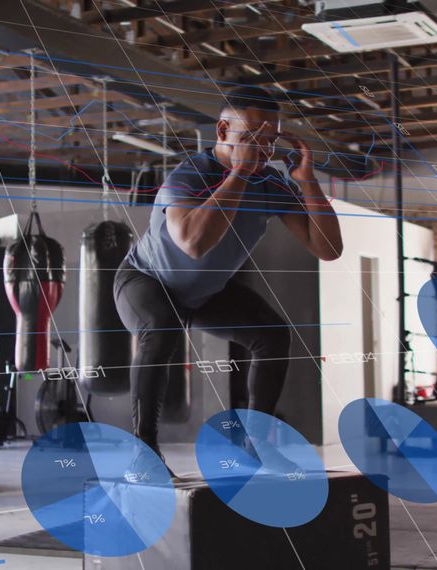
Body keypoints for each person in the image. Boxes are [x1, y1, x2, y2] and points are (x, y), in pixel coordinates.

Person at [114, 85, 343, 475]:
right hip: (147, 280)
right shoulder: (189, 175)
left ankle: (258, 446)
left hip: (203, 295)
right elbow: (193, 243)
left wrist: (306, 180)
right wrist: (239, 171)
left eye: (269, 141)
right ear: (222, 132)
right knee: (162, 328)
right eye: (250, 138)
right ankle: (143, 455)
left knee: (273, 334)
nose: (261, 151)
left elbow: (328, 248)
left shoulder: (270, 186)